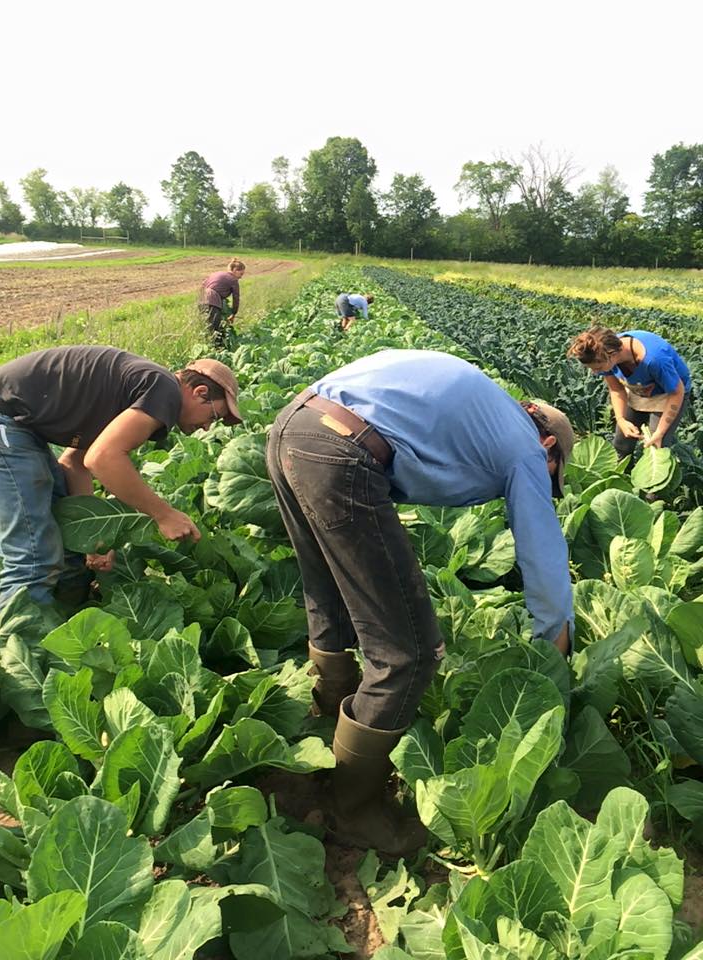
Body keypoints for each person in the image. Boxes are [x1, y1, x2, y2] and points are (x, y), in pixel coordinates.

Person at [266, 348, 575, 857]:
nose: (545, 479)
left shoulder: (488, 410)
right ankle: (355, 809)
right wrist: (554, 653)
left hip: (291, 427)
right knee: (408, 654)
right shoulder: (524, 448)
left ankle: (328, 733)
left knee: (327, 596)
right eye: (553, 471)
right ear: (548, 444)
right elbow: (542, 557)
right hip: (343, 451)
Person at [0, 347, 242, 611]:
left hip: (16, 423)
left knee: (65, 543)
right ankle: (15, 645)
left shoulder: (141, 387)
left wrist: (94, 541)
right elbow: (103, 459)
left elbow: (74, 464)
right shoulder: (165, 390)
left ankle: (60, 624)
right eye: (213, 416)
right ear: (200, 393)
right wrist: (163, 514)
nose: (208, 427)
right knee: (34, 555)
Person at [567, 327, 691, 457]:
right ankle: (621, 474)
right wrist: (621, 420)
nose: (595, 372)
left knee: (656, 446)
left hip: (670, 393)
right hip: (638, 388)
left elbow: (676, 392)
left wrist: (660, 432)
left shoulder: (654, 360)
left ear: (613, 355)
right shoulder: (602, 351)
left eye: (598, 368)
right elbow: (616, 389)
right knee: (621, 444)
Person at [199, 259, 246, 345]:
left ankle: (206, 345)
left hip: (202, 298)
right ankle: (218, 348)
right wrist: (233, 313)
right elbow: (236, 298)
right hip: (213, 300)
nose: (241, 277)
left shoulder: (217, 273)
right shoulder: (233, 279)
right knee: (215, 328)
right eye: (241, 274)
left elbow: (203, 284)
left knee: (206, 326)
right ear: (235, 270)